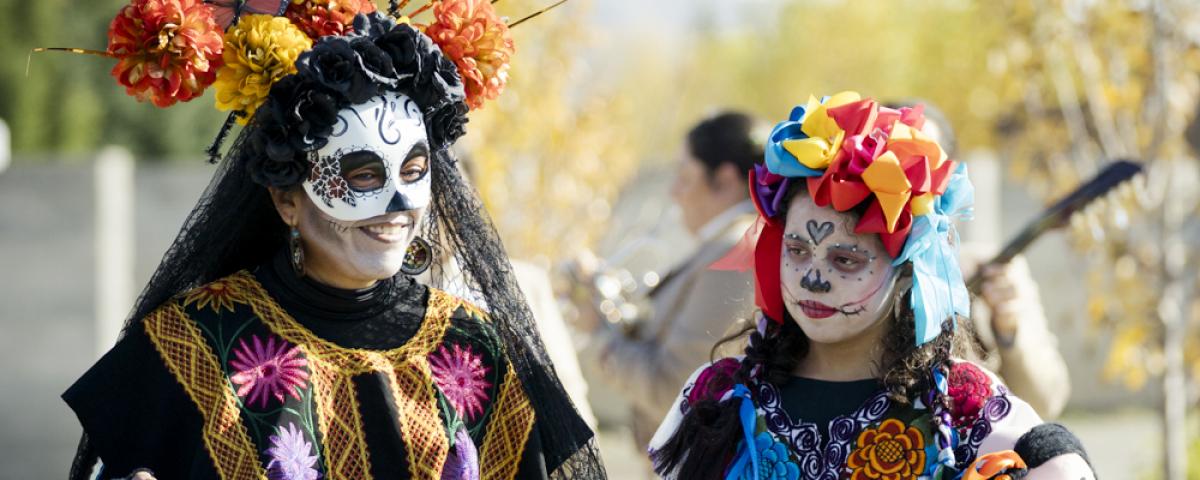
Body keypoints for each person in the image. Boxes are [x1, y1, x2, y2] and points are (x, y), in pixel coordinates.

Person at [60, 6, 601, 480]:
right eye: (363, 176)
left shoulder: (473, 346)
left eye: (414, 170)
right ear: (286, 200)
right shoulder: (192, 343)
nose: (396, 205)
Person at [649, 92, 1095, 479]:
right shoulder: (719, 398)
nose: (813, 279)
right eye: (798, 251)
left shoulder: (965, 411)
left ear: (907, 270)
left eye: (846, 260)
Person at [573, 111, 760, 453]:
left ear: (726, 179)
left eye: (685, 177)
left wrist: (598, 334)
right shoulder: (732, 244)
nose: (675, 192)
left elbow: (676, 389)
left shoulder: (735, 251)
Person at [889, 100, 1071, 419]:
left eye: (926, 167)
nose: (914, 185)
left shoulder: (994, 271)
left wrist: (1009, 331)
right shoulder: (843, 273)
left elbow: (1046, 402)